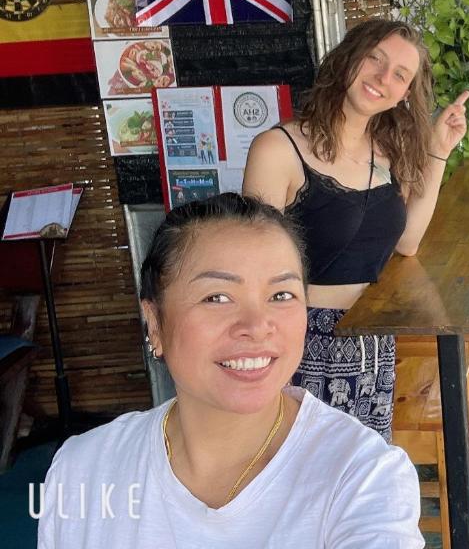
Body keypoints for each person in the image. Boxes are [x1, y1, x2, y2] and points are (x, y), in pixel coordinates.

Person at [37, 193, 423, 547]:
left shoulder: (363, 477)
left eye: (281, 295)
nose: (257, 325)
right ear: (154, 322)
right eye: (217, 297)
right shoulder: (82, 470)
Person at [242, 18, 468, 440]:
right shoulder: (278, 150)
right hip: (300, 343)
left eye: (400, 75)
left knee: (361, 483)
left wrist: (438, 151)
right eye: (374, 60)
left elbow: (407, 241)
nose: (383, 78)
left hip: (370, 344)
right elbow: (255, 271)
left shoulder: (386, 153)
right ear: (348, 58)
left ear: (405, 94)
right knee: (303, 481)